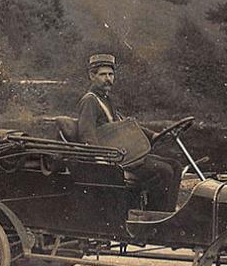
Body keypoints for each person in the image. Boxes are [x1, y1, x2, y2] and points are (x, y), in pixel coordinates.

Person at [77, 54, 182, 211]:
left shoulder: (107, 100)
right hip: (115, 159)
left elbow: (127, 125)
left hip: (124, 154)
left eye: (111, 74)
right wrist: (102, 159)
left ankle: (167, 213)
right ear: (92, 76)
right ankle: (155, 218)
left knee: (176, 165)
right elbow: (86, 133)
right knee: (164, 171)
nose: (108, 79)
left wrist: (153, 135)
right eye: (103, 74)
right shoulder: (90, 100)